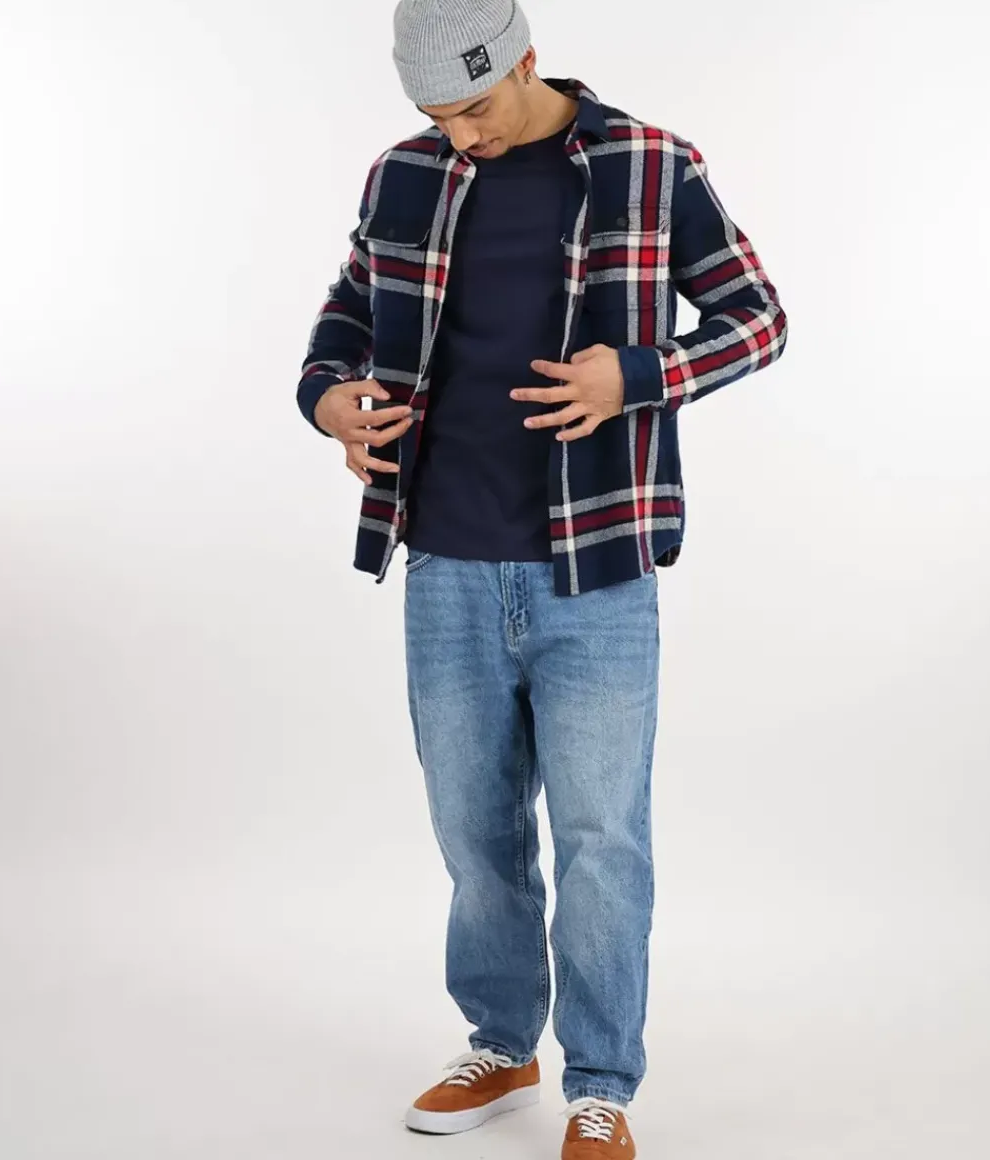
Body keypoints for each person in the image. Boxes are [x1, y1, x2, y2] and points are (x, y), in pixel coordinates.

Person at [296, 1, 787, 1154]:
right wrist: (327, 399)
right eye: (437, 116)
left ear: (525, 60)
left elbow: (755, 317)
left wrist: (638, 375)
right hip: (444, 561)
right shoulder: (405, 175)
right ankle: (501, 1042)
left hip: (597, 565)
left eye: (474, 107)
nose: (460, 136)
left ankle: (600, 1081)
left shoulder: (650, 166)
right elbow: (344, 317)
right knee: (473, 833)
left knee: (601, 835)